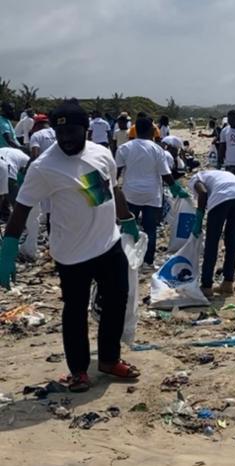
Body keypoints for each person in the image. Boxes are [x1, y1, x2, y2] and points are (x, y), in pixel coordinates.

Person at [0, 99, 141, 392]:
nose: (65, 139)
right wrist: (9, 246)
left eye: (72, 133)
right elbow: (22, 208)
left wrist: (126, 220)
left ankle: (108, 360)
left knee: (117, 302)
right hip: (71, 253)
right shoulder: (44, 167)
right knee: (74, 312)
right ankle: (79, 371)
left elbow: (110, 189)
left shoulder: (102, 153)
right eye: (60, 133)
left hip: (109, 244)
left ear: (86, 130)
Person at [117, 118, 189, 266]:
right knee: (150, 228)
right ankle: (148, 261)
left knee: (128, 228)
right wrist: (175, 187)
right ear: (151, 131)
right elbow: (165, 174)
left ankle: (127, 259)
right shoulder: (157, 149)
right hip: (152, 195)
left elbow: (116, 173)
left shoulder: (124, 148)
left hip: (130, 194)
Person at [190, 169, 235, 298]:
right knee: (232, 241)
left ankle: (206, 286)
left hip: (220, 199)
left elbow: (203, 194)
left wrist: (199, 217)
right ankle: (228, 283)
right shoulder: (221, 176)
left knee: (212, 242)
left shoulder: (196, 178)